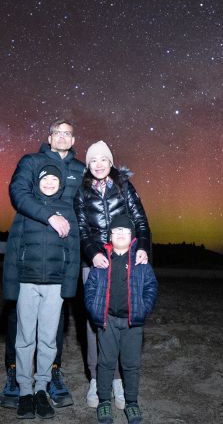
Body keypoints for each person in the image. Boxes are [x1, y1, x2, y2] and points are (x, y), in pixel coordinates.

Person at [0, 119, 86, 409]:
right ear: (49, 137)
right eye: (57, 132)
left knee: (53, 329)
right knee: (23, 327)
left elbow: (87, 207)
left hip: (59, 264)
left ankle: (48, 378)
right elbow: (18, 194)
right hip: (29, 260)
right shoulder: (32, 161)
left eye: (68, 133)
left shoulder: (81, 169)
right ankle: (16, 378)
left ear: (74, 140)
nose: (62, 137)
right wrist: (49, 217)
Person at [74, 140, 152, 410]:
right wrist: (94, 253)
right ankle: (97, 379)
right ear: (88, 165)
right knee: (96, 322)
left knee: (125, 315)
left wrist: (142, 248)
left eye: (103, 159)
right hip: (95, 263)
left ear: (111, 162)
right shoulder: (82, 192)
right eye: (93, 160)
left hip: (125, 259)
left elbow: (141, 221)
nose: (98, 164)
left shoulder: (124, 187)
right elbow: (83, 231)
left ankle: (118, 379)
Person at [9, 164, 80, 419]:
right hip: (27, 283)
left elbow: (73, 252)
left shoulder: (68, 211)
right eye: (44, 178)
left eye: (54, 179)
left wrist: (69, 286)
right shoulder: (27, 208)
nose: (49, 182)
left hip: (55, 285)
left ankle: (41, 387)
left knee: (48, 339)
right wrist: (10, 286)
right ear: (37, 182)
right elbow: (13, 248)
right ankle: (25, 391)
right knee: (25, 337)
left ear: (61, 184)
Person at [84, 214, 158, 424]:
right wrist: (94, 309)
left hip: (132, 323)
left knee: (131, 364)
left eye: (125, 231)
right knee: (106, 362)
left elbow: (151, 287)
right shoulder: (102, 260)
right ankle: (104, 401)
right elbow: (90, 288)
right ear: (110, 235)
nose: (120, 234)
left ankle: (132, 403)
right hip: (107, 321)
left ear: (132, 236)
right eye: (116, 231)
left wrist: (143, 309)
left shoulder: (140, 260)